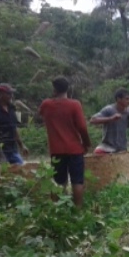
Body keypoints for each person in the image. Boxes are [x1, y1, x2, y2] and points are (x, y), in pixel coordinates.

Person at [39, 76, 91, 208]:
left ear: (54, 89)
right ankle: (78, 209)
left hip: (56, 150)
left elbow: (41, 114)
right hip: (74, 149)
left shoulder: (46, 104)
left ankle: (58, 209)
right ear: (68, 88)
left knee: (58, 182)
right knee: (77, 181)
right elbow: (82, 127)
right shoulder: (75, 104)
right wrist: (86, 143)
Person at [0, 83, 28, 165]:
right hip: (1, 149)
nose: (11, 96)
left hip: (12, 147)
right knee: (5, 173)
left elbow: (14, 128)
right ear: (0, 95)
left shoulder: (11, 108)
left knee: (20, 169)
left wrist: (22, 145)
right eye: (8, 93)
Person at [90, 88, 129, 154]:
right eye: (127, 99)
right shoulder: (109, 109)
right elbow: (92, 120)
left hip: (122, 148)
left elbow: (127, 126)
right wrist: (111, 118)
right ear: (119, 99)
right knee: (97, 152)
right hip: (107, 147)